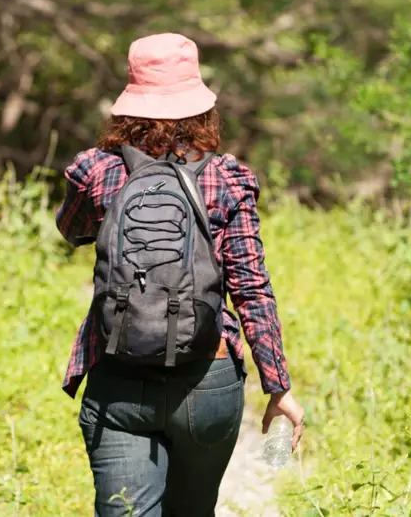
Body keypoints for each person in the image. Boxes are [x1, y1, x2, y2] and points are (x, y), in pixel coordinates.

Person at [55, 33, 305, 517]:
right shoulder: (227, 178)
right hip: (206, 380)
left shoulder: (97, 172)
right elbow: (252, 288)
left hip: (117, 377)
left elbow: (72, 231)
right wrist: (279, 389)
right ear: (201, 107)